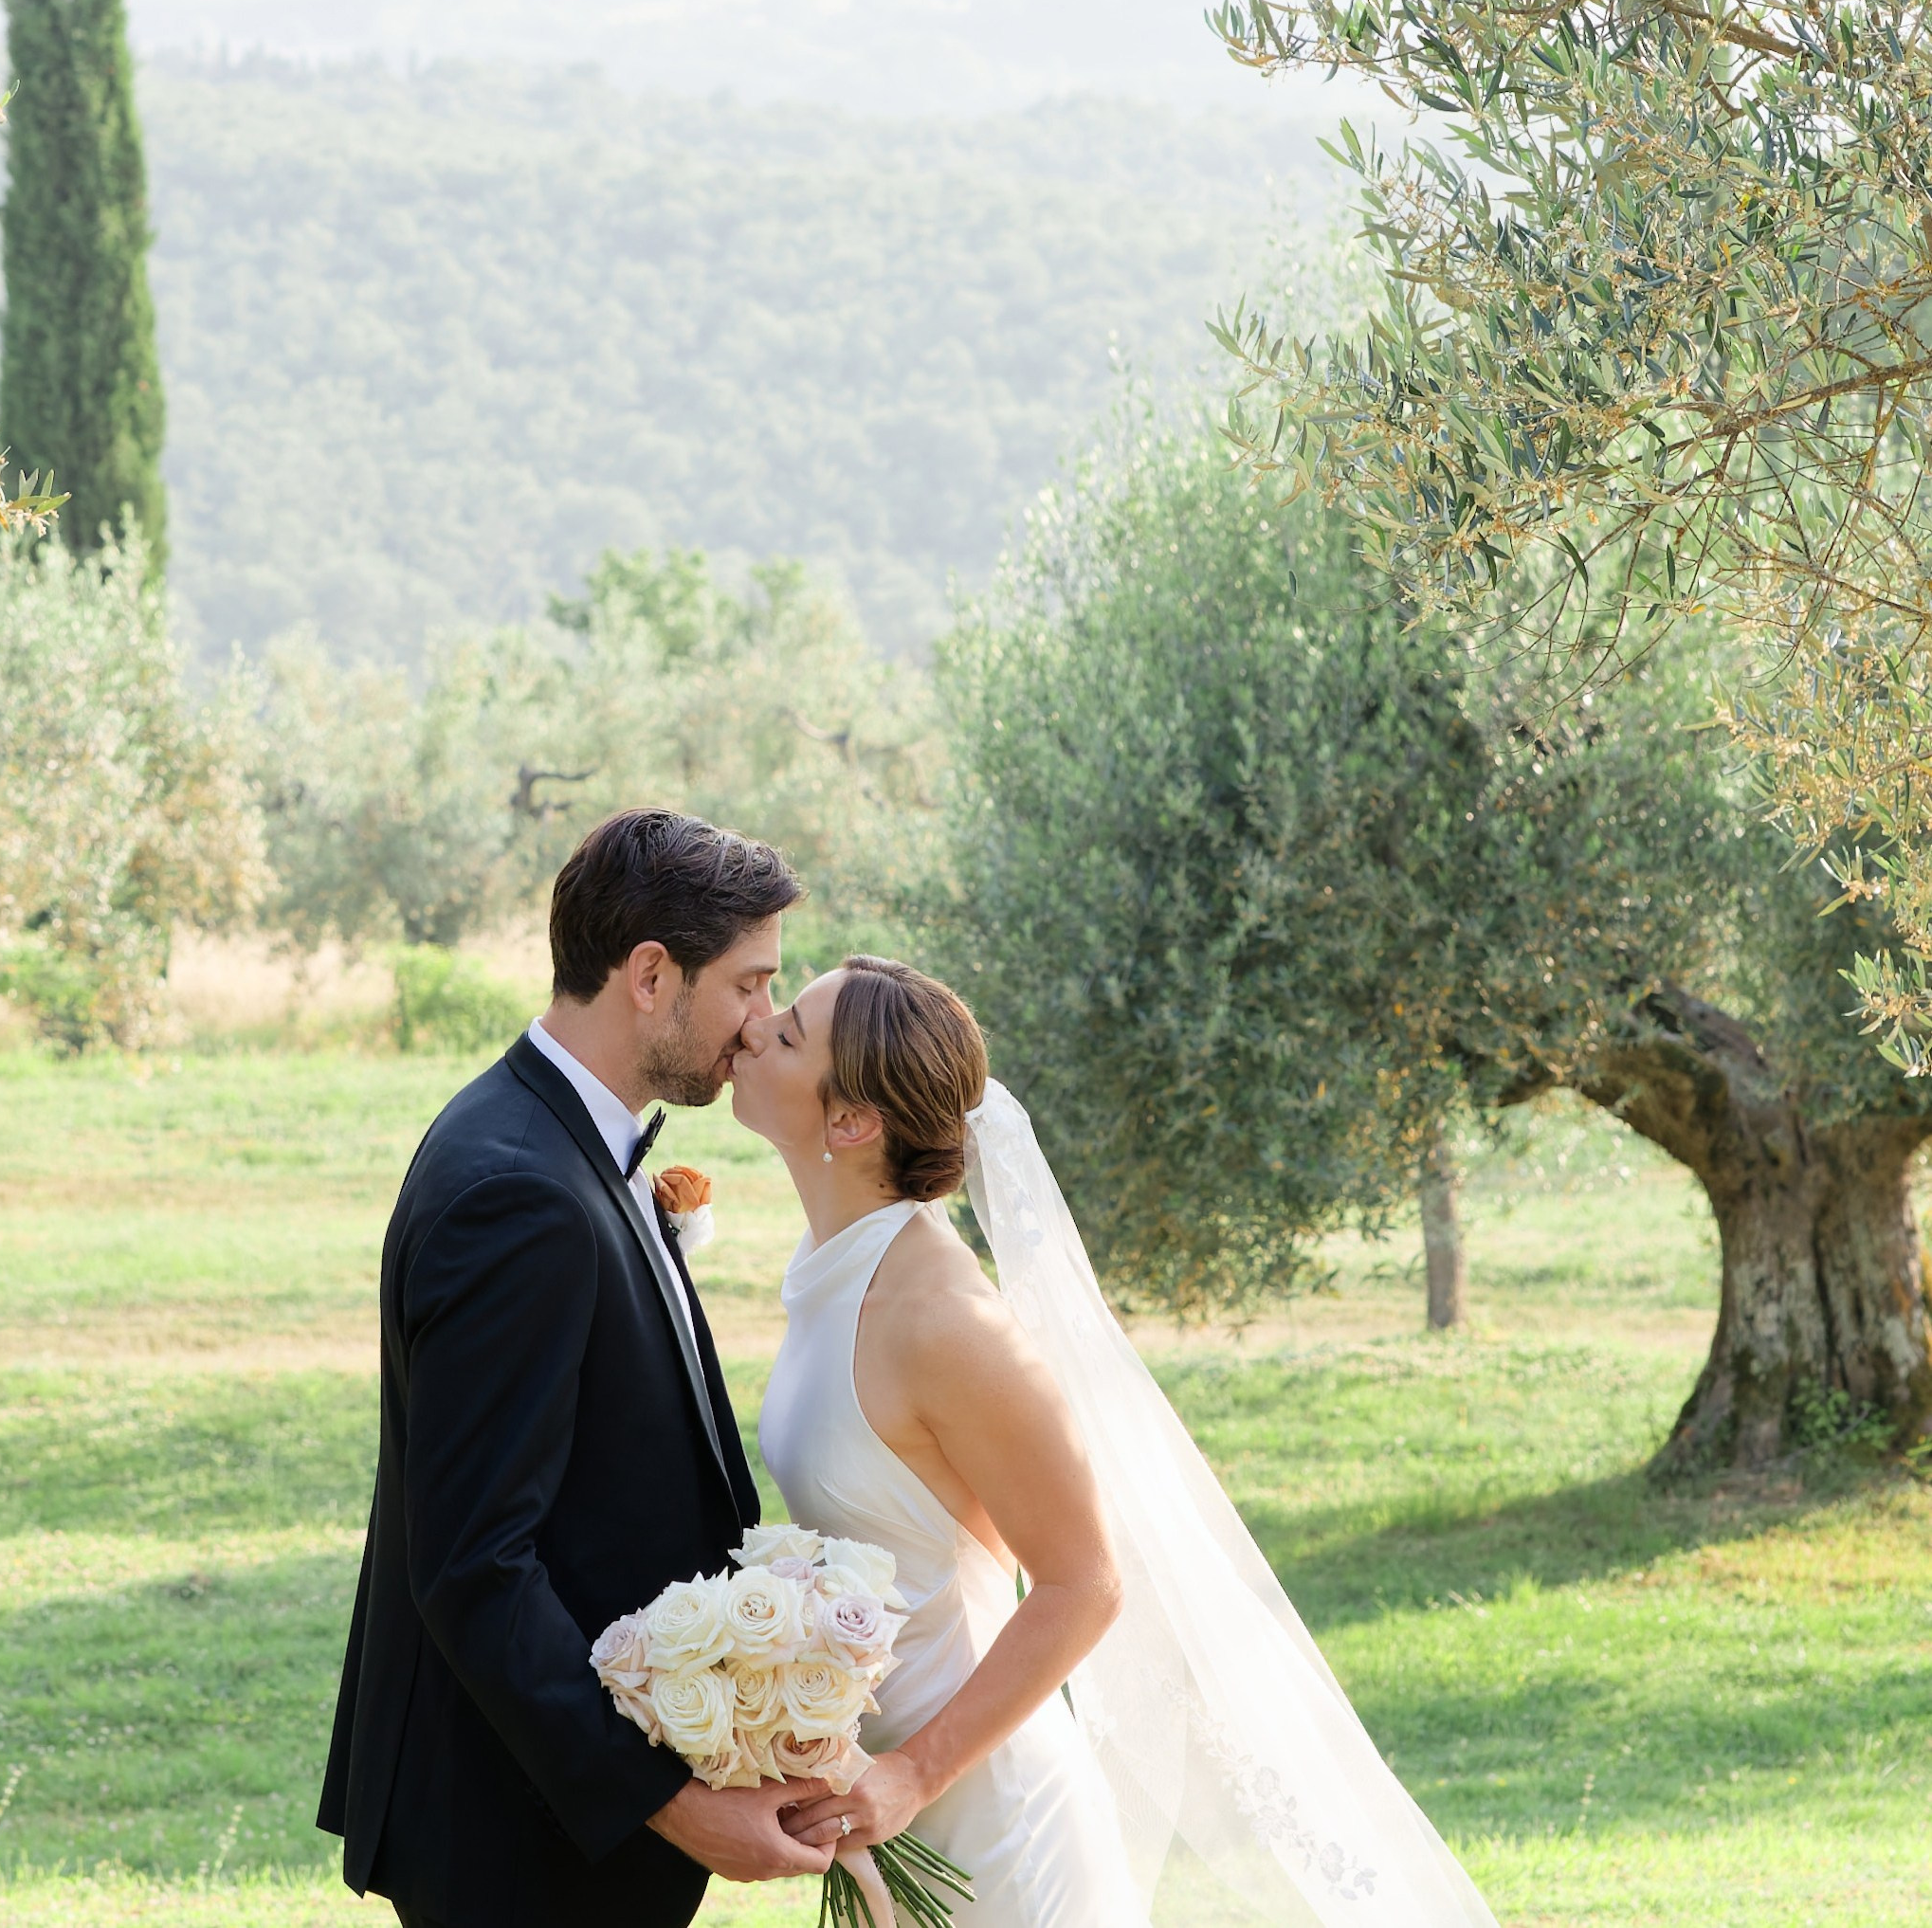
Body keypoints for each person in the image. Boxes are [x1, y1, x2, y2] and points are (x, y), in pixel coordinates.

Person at [733, 955, 1501, 1926]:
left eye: (789, 1030)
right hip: (885, 1812)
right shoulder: (829, 1265)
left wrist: (910, 1773)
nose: (754, 1024)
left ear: (850, 1121)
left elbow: (1082, 1580)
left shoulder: (941, 1317)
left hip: (988, 1819)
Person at [318, 809, 838, 1925]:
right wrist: (669, 1799)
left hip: (549, 1822)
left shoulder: (551, 1137)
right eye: (749, 983)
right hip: (523, 1840)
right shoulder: (518, 1191)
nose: (758, 1022)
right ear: (650, 973)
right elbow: (474, 1564)